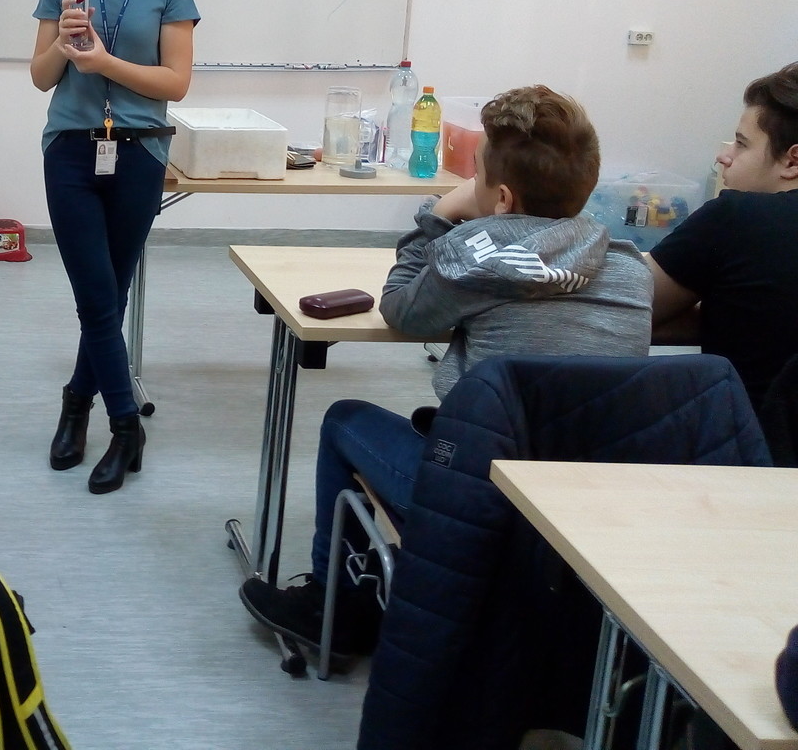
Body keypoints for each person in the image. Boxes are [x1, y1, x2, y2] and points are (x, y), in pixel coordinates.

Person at [240, 85, 653, 661]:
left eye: (475, 171)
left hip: (482, 498)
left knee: (343, 420)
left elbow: (399, 307)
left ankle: (337, 608)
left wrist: (436, 215)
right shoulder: (631, 270)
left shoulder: (471, 259)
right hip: (588, 500)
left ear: (501, 197)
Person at [29, 0, 199, 494]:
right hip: (71, 149)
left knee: (110, 295)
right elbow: (40, 77)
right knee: (95, 296)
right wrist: (63, 44)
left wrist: (103, 63)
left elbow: (175, 83)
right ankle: (126, 426)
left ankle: (77, 402)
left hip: (140, 152)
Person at [649, 61, 798, 412]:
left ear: (792, 162)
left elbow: (630, 304)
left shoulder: (735, 217)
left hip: (752, 442)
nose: (724, 155)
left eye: (742, 144)